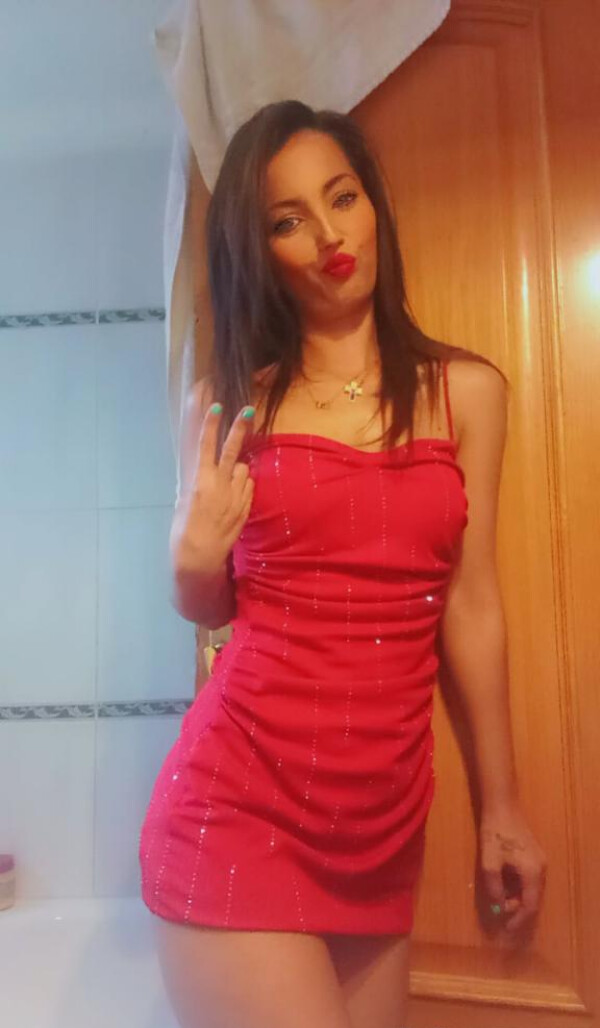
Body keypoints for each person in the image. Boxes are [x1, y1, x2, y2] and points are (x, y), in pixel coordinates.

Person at [138, 100, 547, 1028]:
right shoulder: (226, 405)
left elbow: (472, 604)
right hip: (237, 808)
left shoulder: (468, 393)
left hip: (381, 831)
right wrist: (187, 562)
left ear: (374, 207)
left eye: (343, 198)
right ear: (258, 250)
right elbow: (208, 605)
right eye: (288, 220)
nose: (328, 235)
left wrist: (502, 806)